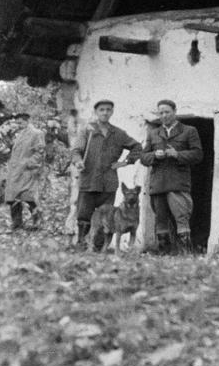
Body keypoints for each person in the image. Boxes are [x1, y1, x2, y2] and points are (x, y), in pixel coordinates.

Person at [70, 99, 141, 251]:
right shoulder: (87, 130)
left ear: (112, 112)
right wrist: (78, 162)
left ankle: (99, 248)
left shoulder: (119, 134)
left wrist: (124, 162)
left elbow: (137, 147)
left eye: (108, 109)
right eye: (101, 110)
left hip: (108, 182)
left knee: (107, 217)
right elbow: (76, 151)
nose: (105, 112)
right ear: (96, 112)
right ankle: (82, 245)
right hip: (88, 180)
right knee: (84, 215)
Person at [141, 99, 203, 253]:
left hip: (178, 182)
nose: (164, 115)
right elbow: (143, 157)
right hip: (158, 183)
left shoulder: (189, 131)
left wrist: (177, 154)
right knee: (160, 220)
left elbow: (198, 154)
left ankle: (185, 254)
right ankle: (164, 255)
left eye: (167, 112)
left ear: (175, 112)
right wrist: (155, 155)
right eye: (161, 113)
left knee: (182, 217)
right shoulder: (153, 133)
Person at [2, 112, 47, 231]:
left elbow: (40, 152)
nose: (19, 125)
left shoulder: (36, 133)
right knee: (13, 198)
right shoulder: (19, 134)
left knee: (29, 197)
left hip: (27, 171)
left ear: (27, 121)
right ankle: (17, 223)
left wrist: (29, 164)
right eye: (17, 123)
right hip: (15, 171)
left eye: (21, 122)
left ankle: (38, 222)